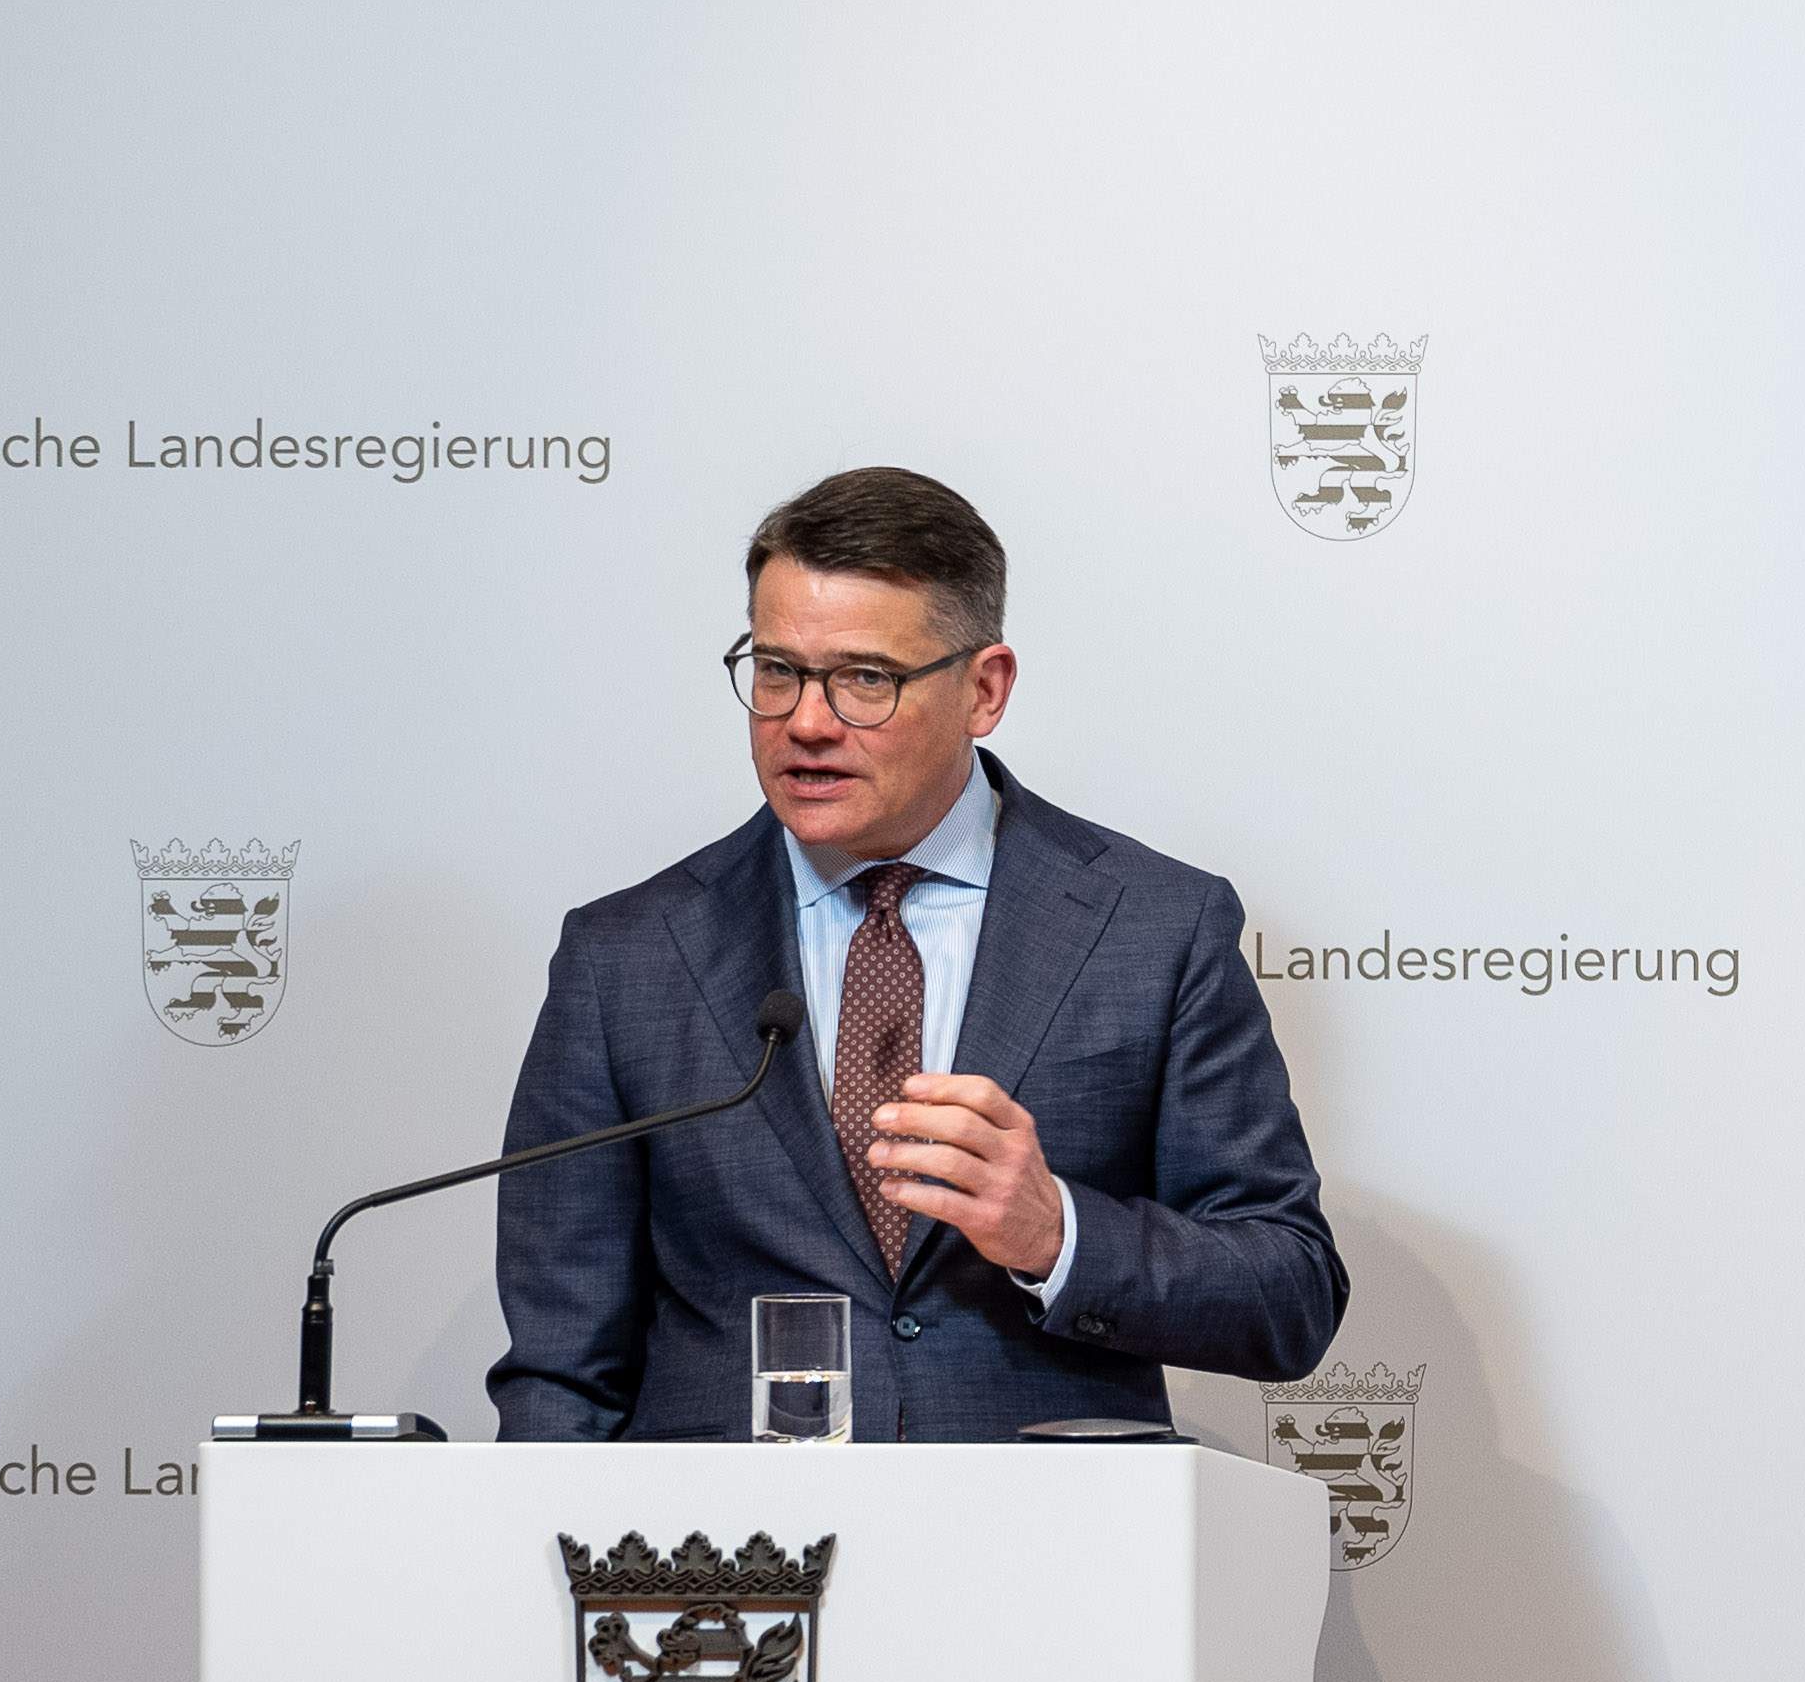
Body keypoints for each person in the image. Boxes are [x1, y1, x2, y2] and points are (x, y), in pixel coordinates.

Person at [490, 467, 1346, 1438]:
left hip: (1038, 1526)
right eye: (776, 670)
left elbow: (1290, 1291)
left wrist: (1056, 1232)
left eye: (866, 678)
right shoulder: (627, 957)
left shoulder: (1154, 927)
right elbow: (560, 1375)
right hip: (726, 1534)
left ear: (985, 689)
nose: (806, 722)